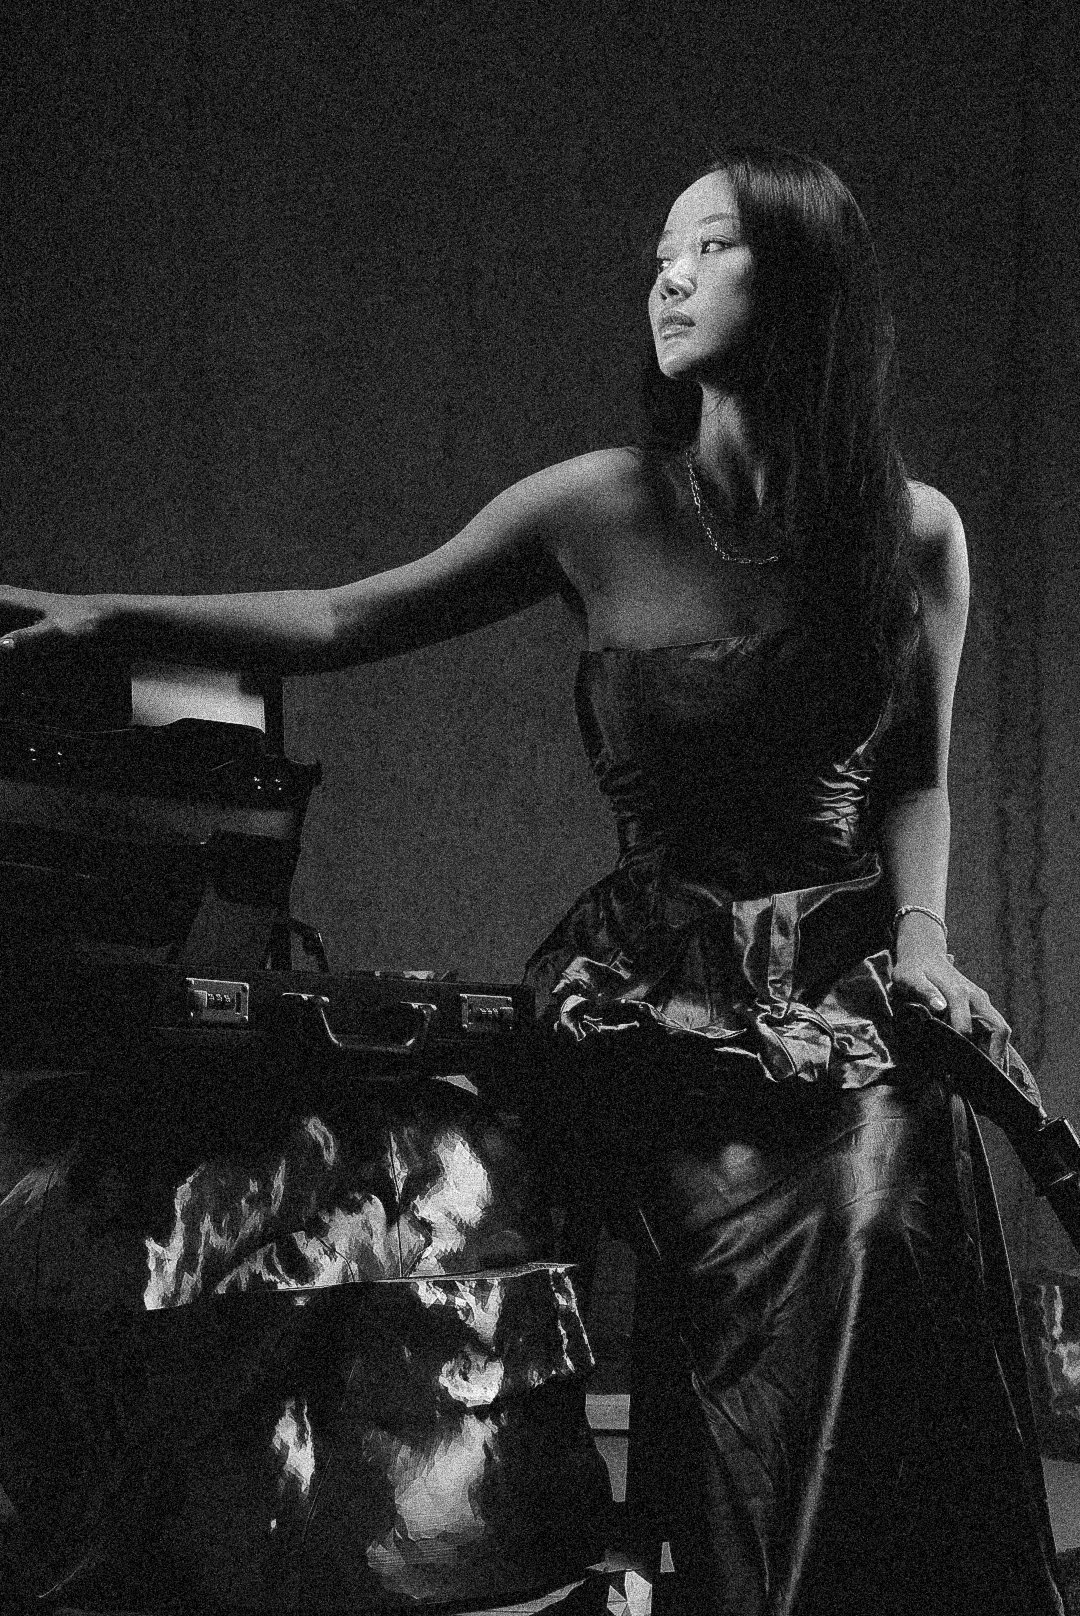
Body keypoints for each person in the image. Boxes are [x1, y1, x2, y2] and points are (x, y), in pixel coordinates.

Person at [0, 145, 1066, 1615]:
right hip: (650, 990)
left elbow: (917, 781)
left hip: (838, 983)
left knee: (881, 1207)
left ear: (806, 280)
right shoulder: (593, 504)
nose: (669, 279)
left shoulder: (917, 531)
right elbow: (344, 615)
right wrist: (108, 615)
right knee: (476, 1181)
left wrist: (927, 941)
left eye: (710, 247)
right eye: (659, 254)